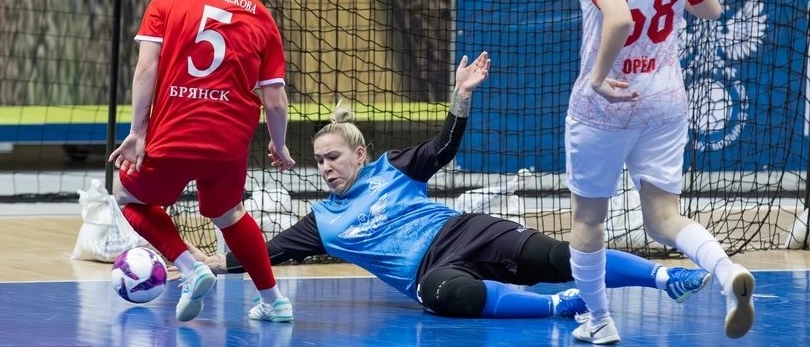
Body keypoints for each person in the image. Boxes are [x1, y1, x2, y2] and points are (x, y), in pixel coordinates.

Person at [189, 51, 711, 321]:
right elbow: (265, 252)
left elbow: (444, 147)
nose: (325, 167)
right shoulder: (322, 223)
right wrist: (209, 263)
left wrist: (460, 96)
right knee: (446, 296)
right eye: (319, 161)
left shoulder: (392, 168)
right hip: (430, 271)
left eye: (334, 157)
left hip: (464, 231)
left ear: (359, 155)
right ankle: (559, 307)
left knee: (561, 256)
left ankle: (665, 278)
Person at [564, 0, 755, 344]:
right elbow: (710, 8)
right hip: (664, 98)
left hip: (607, 106)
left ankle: (600, 321)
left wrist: (599, 78)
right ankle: (727, 271)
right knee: (664, 218)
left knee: (588, 219)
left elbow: (619, 18)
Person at [108, 0, 295, 323]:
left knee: (126, 194)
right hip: (229, 141)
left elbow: (146, 69)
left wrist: (137, 133)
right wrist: (279, 145)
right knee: (229, 214)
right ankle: (275, 301)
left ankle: (190, 268)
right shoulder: (263, 18)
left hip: (173, 131)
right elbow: (275, 100)